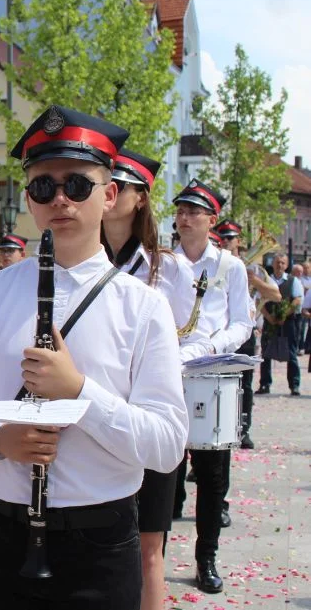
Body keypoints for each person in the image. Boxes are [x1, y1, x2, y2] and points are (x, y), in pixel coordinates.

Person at [0, 105, 187, 609]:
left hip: (99, 542)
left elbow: (167, 446)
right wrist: (0, 439)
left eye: (78, 185)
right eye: (44, 187)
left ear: (109, 195)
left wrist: (80, 393)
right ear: (29, 200)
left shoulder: (144, 307)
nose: (60, 199)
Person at [101, 148, 211, 610]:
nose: (108, 196)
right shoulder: (74, 259)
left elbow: (198, 335)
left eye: (119, 187)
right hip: (96, 410)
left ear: (140, 198)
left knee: (149, 546)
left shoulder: (169, 267)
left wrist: (165, 364)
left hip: (146, 412)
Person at [171, 179, 253, 594]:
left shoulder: (229, 267)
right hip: (164, 369)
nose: (184, 218)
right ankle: (150, 558)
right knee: (160, 471)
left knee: (212, 476)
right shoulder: (162, 261)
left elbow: (243, 321)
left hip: (208, 370)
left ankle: (206, 558)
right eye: (180, 212)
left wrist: (211, 344)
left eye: (193, 213)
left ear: (211, 220)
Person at [215, 219, 278, 449]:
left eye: (231, 238)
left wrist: (255, 281)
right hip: (221, 332)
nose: (226, 241)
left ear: (239, 241)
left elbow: (276, 295)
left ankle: (243, 430)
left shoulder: (253, 268)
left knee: (246, 384)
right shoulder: (216, 264)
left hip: (245, 332)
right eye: (223, 237)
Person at [257, 253, 303, 396]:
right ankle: (265, 384)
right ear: (273, 263)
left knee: (292, 354)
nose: (280, 265)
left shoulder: (293, 281)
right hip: (269, 321)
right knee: (266, 353)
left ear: (286, 265)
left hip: (288, 322)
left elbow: (297, 300)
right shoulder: (266, 280)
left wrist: (284, 314)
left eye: (283, 263)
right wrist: (268, 316)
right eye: (277, 262)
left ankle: (294, 386)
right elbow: (259, 301)